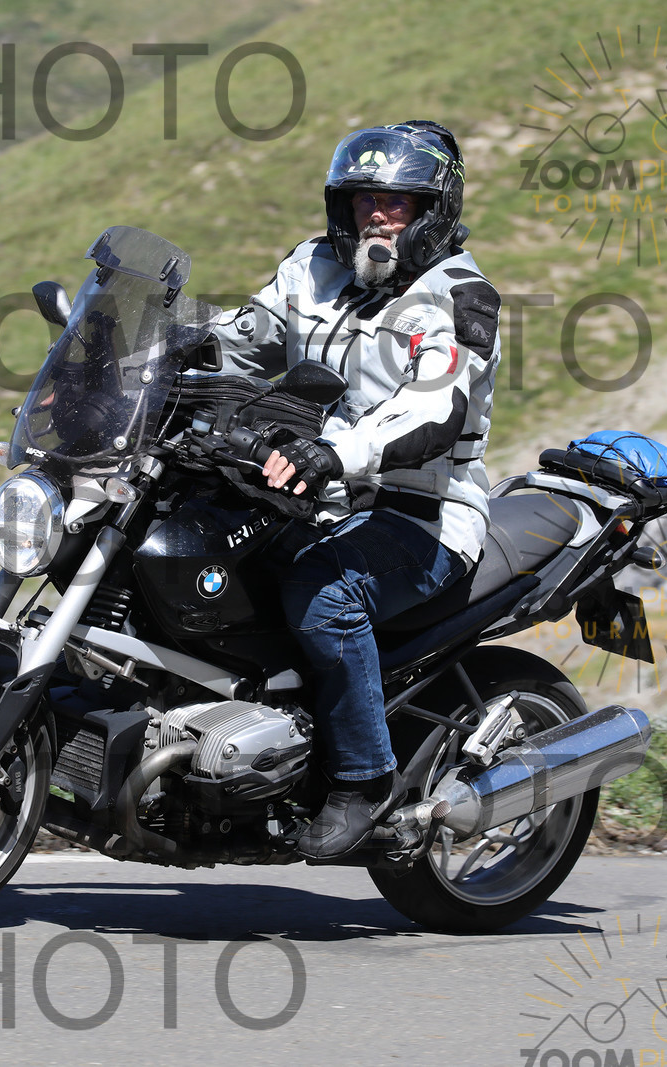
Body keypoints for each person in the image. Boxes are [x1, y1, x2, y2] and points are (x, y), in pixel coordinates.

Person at [210, 121, 502, 859]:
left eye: (396, 202)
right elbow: (241, 338)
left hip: (422, 510)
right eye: (364, 199)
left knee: (325, 592)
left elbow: (432, 409)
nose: (377, 215)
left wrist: (336, 453)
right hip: (314, 492)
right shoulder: (312, 268)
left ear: (432, 210)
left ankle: (364, 779)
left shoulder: (458, 298)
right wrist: (138, 352)